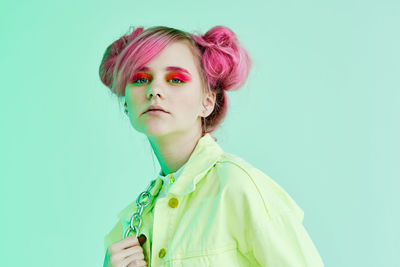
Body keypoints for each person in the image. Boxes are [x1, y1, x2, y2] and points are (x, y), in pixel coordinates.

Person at [99, 25, 324, 267]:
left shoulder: (238, 188)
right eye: (141, 79)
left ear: (207, 102)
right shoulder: (132, 223)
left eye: (175, 79)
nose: (154, 90)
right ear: (125, 103)